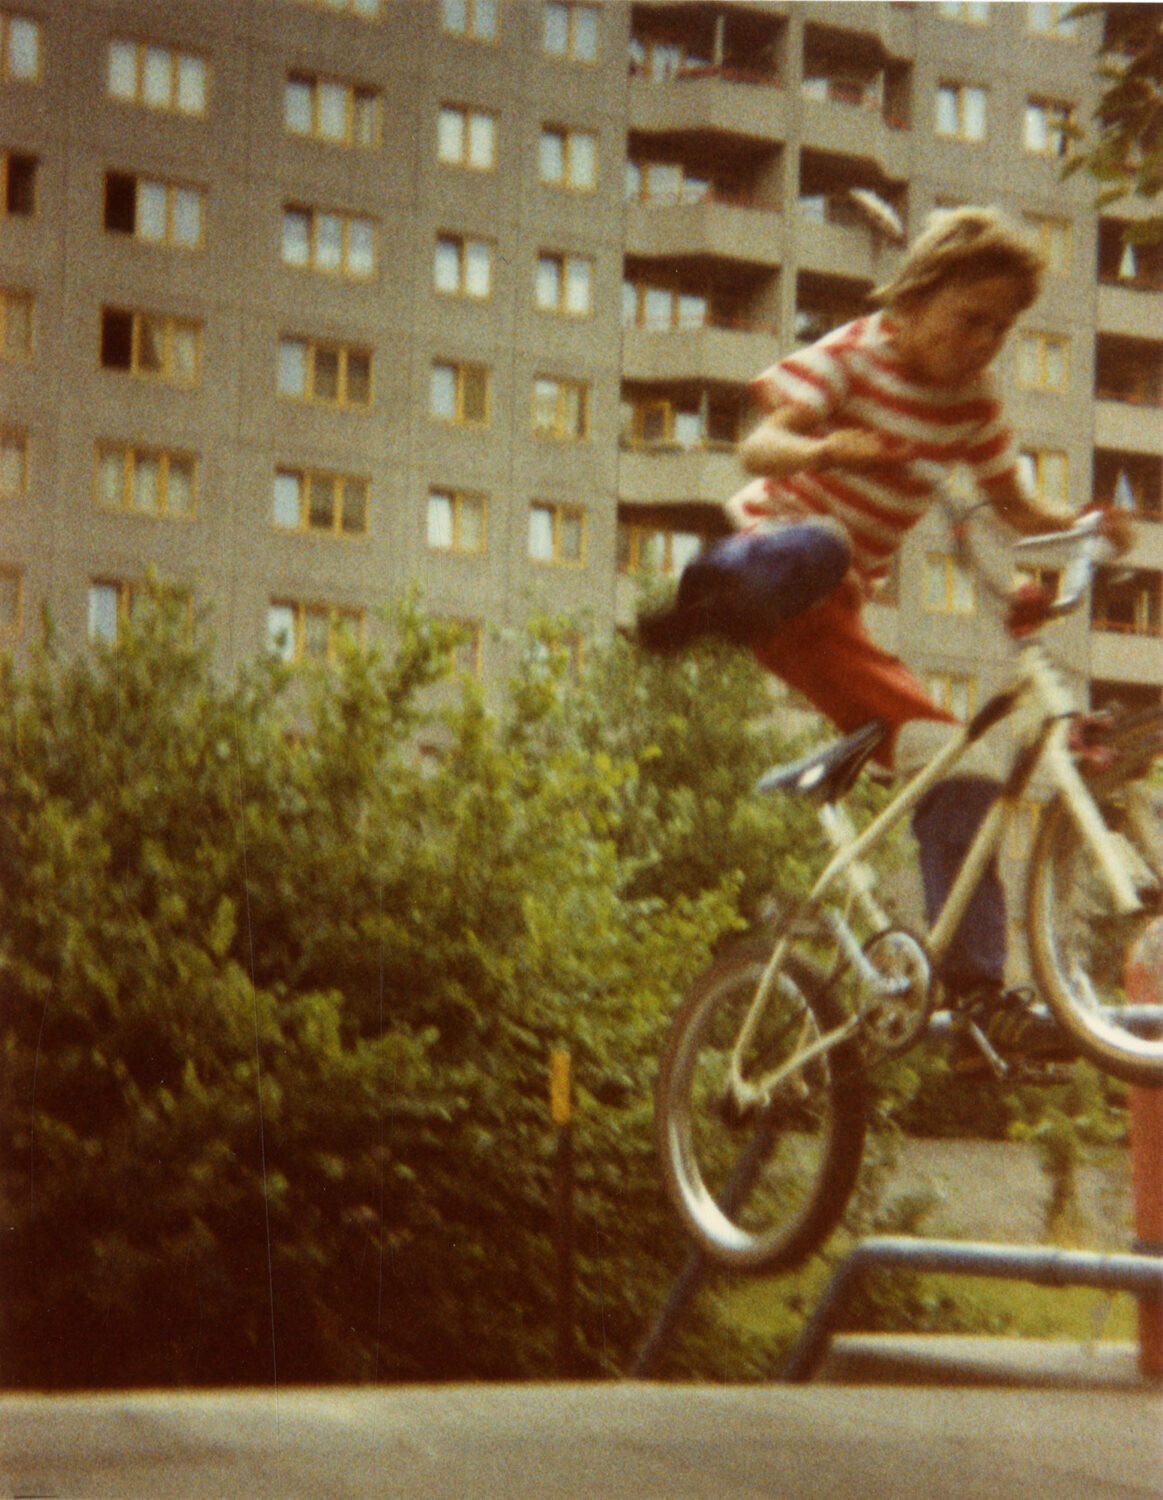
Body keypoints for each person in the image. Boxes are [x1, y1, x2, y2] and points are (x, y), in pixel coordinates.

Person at [637, 207, 1131, 1067]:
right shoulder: (854, 354)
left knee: (955, 756)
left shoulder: (972, 404)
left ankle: (979, 999)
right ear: (911, 302)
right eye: (967, 318)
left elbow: (1009, 509)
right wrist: (829, 448)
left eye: (1002, 327)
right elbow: (757, 447)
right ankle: (704, 596)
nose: (983, 341)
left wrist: (1077, 525)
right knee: (826, 547)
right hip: (774, 557)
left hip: (827, 627)